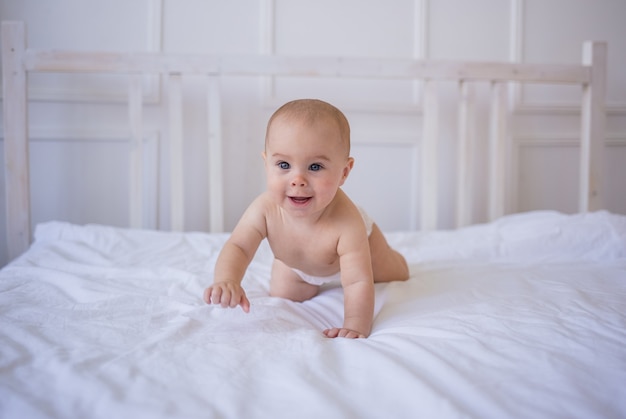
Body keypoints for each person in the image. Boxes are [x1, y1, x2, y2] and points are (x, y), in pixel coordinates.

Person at [203, 99, 409, 338]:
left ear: (344, 172)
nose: (298, 179)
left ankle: (396, 259)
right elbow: (238, 246)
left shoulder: (348, 223)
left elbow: (356, 282)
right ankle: (303, 277)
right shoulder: (265, 208)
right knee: (284, 294)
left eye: (314, 167)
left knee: (393, 272)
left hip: (365, 248)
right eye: (283, 164)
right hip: (297, 265)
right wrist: (227, 280)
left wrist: (355, 325)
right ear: (266, 164)